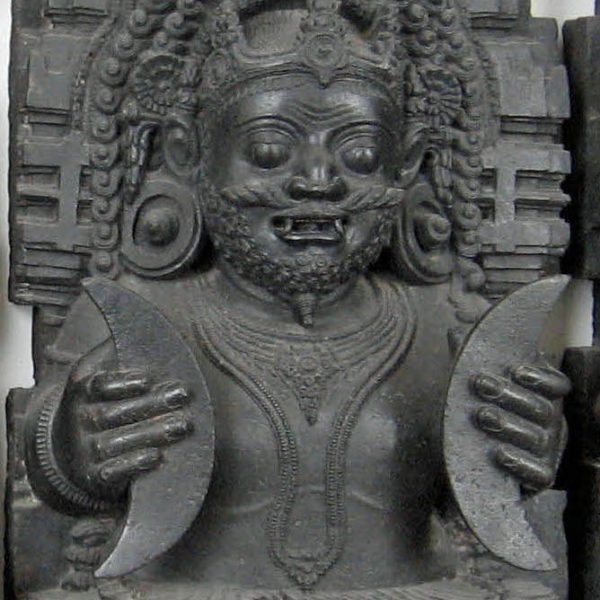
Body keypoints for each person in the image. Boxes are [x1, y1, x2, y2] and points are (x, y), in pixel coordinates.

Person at [23, 1, 570, 598]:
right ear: (189, 152)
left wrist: (526, 444)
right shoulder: (137, 313)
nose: (318, 181)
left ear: (406, 162)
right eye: (268, 151)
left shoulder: (445, 318)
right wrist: (72, 446)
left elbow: (489, 479)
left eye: (359, 156)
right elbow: (44, 466)